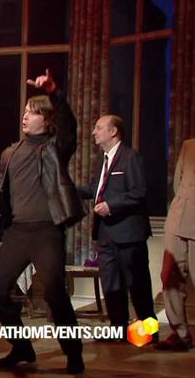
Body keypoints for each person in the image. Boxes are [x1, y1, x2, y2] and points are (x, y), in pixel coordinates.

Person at [0, 69, 85, 375]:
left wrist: (55, 93)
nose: (25, 116)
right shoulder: (10, 153)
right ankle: (22, 346)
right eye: (25, 111)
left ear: (47, 119)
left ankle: (73, 351)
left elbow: (69, 125)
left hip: (46, 231)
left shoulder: (55, 147)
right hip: (17, 231)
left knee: (54, 291)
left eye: (33, 112)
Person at [77, 115, 156, 339]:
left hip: (129, 233)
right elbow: (96, 188)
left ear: (113, 132)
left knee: (138, 285)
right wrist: (67, 188)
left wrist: (111, 205)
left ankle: (149, 333)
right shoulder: (101, 158)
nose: (94, 132)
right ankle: (118, 330)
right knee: (111, 283)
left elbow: (138, 192)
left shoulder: (130, 157)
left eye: (99, 128)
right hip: (105, 234)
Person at [156, 138, 195, 350]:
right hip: (179, 216)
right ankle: (179, 333)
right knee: (169, 274)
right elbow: (177, 183)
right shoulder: (189, 146)